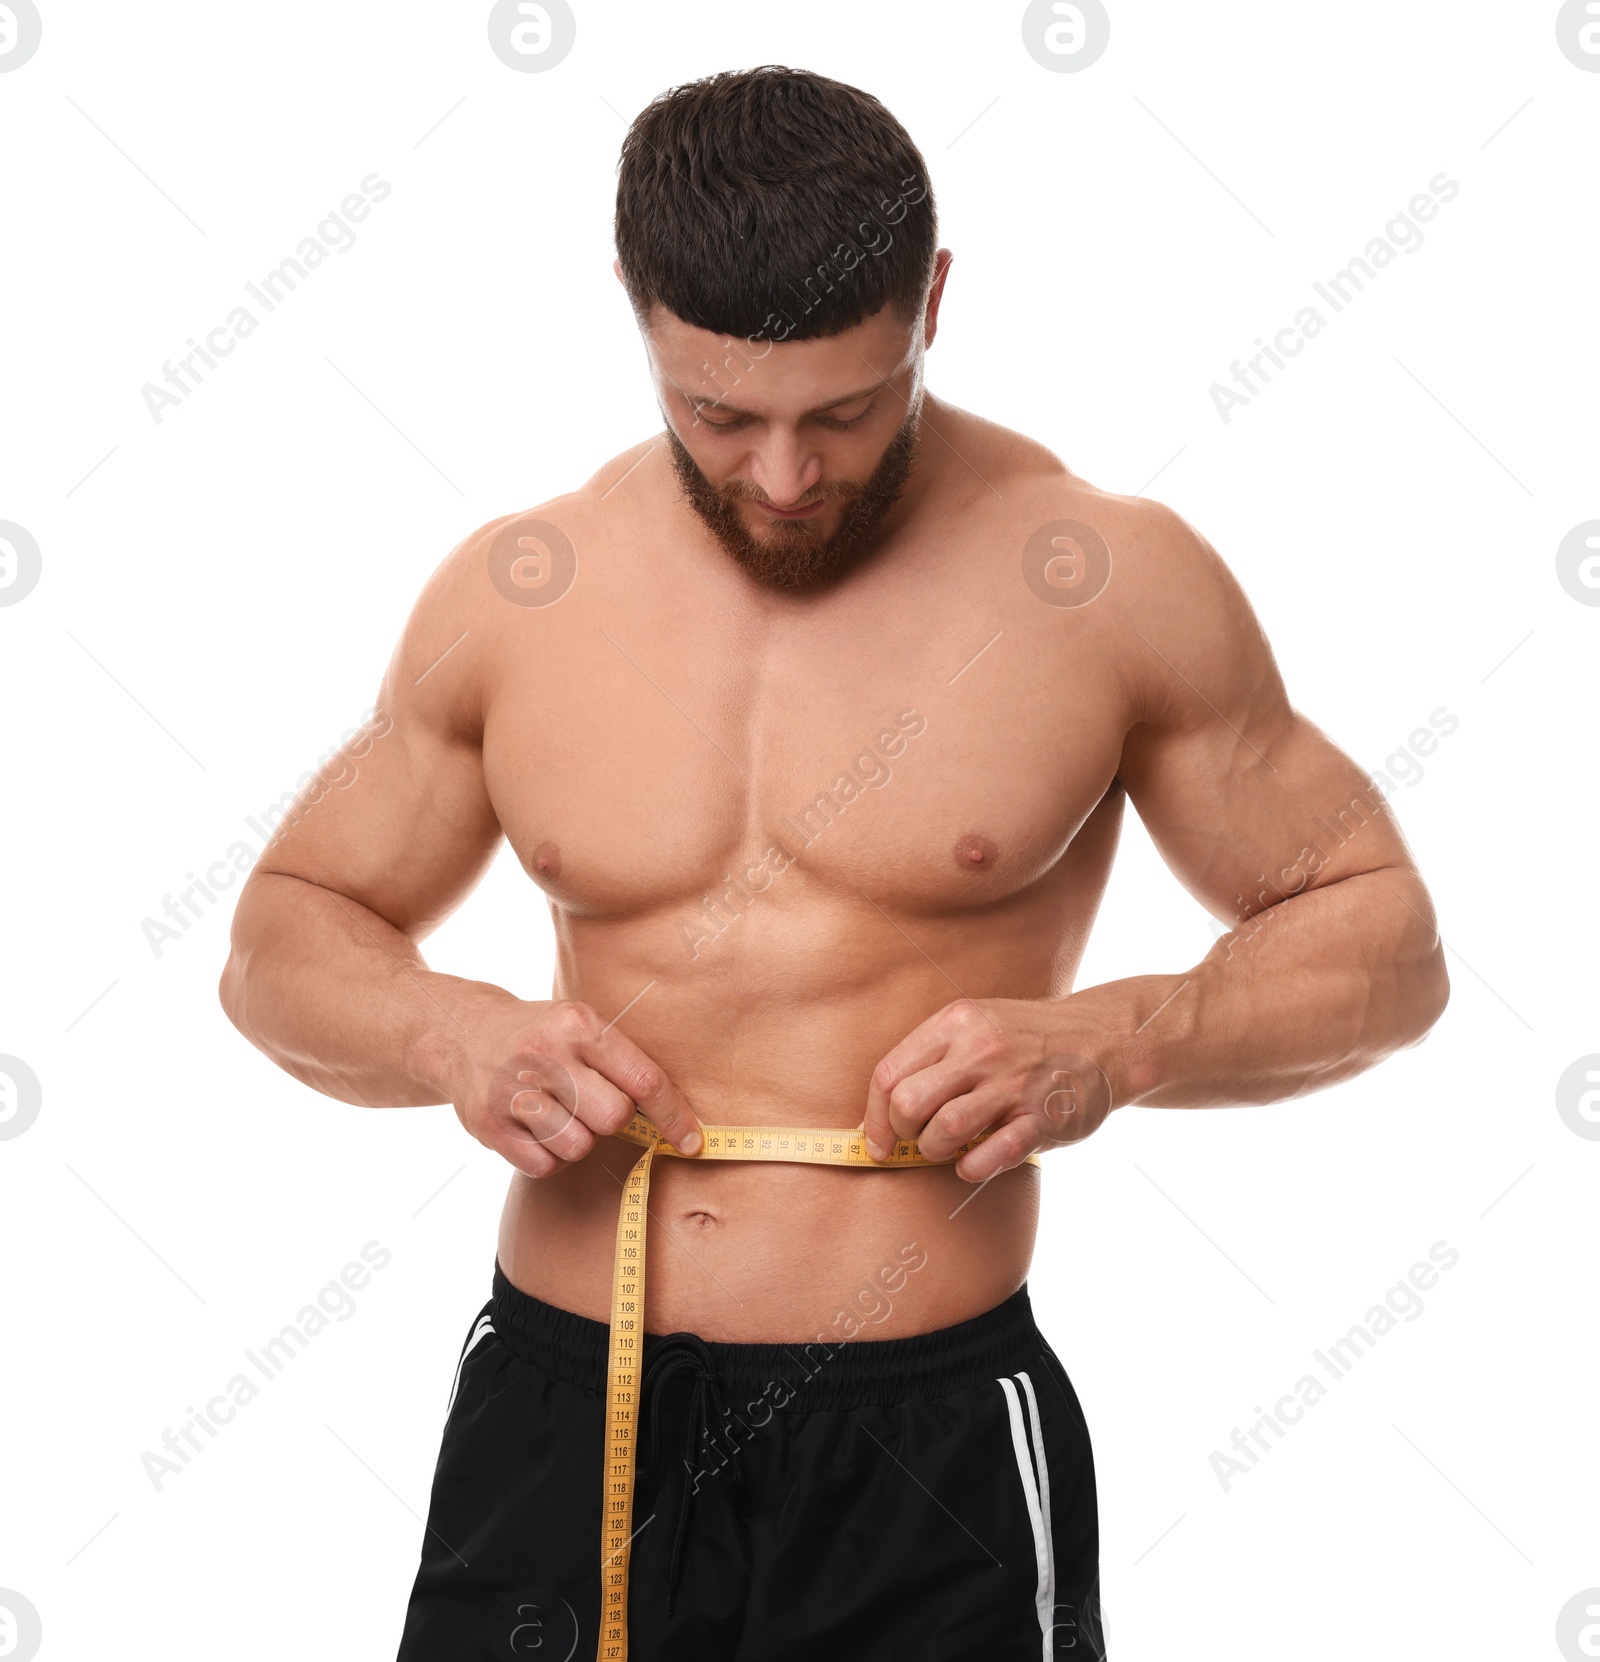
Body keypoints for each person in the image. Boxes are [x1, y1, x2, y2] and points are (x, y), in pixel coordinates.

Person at [219, 64, 1449, 1662]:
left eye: (848, 411)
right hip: (564, 1396)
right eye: (718, 414)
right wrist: (446, 1031)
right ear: (636, 313)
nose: (785, 479)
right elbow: (280, 932)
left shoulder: (1104, 578)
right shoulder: (522, 594)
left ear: (932, 298)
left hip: (920, 1437)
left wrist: (1126, 1038)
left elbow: (1387, 938)